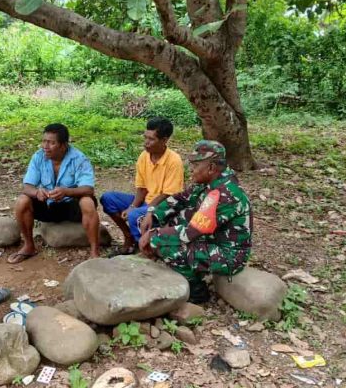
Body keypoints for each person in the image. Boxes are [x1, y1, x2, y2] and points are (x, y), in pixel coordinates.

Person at [139, 140, 253, 304]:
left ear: (211, 167)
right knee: (170, 220)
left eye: (195, 165)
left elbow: (189, 233)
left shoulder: (224, 194)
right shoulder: (210, 182)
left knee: (163, 244)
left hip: (229, 254)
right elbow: (180, 199)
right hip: (212, 238)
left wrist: (154, 234)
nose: (191, 169)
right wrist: (153, 214)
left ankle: (197, 291)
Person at [9, 123, 100, 263]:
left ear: (63, 145)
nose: (45, 146)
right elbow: (27, 187)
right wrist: (37, 193)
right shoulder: (38, 157)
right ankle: (29, 246)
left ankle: (94, 252)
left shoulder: (79, 159)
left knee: (87, 201)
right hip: (48, 206)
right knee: (22, 200)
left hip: (71, 207)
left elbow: (88, 189)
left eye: (51, 143)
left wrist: (67, 191)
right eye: (44, 141)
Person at [100, 117, 184, 255]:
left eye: (151, 139)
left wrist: (146, 209)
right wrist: (132, 206)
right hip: (146, 201)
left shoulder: (174, 161)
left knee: (134, 215)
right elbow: (142, 188)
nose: (146, 142)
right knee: (108, 198)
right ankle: (129, 237)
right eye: (145, 137)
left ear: (164, 140)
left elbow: (168, 194)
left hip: (163, 206)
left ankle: (145, 250)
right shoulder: (144, 156)